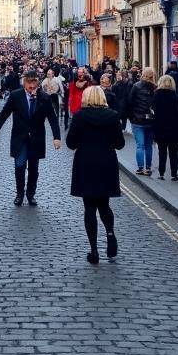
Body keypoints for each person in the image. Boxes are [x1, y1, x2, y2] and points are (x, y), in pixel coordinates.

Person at [65, 85, 125, 264]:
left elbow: (70, 142)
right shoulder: (113, 116)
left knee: (89, 207)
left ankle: (93, 251)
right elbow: (120, 144)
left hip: (86, 163)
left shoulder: (80, 117)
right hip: (107, 162)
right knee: (104, 205)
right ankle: (110, 234)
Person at [0, 69, 61, 207]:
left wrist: (57, 137)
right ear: (24, 83)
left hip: (36, 138)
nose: (32, 87)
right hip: (19, 138)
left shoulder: (44, 97)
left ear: (38, 83)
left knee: (34, 169)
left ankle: (30, 194)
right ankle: (20, 193)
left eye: (34, 83)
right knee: (19, 165)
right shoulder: (16, 96)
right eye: (29, 83)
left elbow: (52, 118)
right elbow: (4, 114)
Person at [152, 75, 178, 181]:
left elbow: (153, 111)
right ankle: (174, 174)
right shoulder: (176, 97)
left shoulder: (156, 96)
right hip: (174, 128)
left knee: (162, 151)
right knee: (173, 152)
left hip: (160, 127)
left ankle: (161, 173)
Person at [127, 68, 157, 176]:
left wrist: (131, 117)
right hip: (150, 120)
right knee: (148, 146)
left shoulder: (136, 86)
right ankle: (148, 168)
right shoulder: (155, 88)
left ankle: (140, 168)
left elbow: (130, 102)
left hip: (137, 120)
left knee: (140, 145)